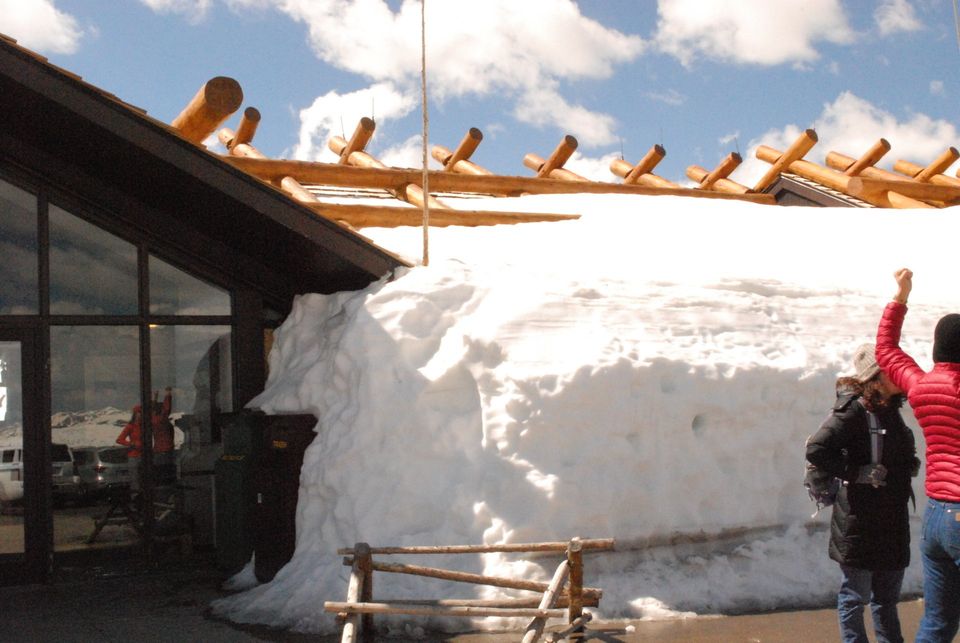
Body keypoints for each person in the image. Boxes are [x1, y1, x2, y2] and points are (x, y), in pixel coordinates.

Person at [806, 342, 919, 643]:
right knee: (855, 597)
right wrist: (856, 473)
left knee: (886, 600)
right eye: (892, 370)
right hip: (859, 521)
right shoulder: (855, 411)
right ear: (876, 377)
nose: (900, 374)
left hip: (892, 521)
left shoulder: (891, 410)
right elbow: (817, 448)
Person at [876, 268, 960, 643]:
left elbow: (886, 350)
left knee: (937, 623)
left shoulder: (921, 386)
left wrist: (900, 297)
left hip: (937, 518)